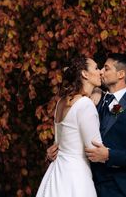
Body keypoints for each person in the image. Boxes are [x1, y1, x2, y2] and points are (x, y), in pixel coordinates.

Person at [46, 53, 126, 197]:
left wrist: (109, 155)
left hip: (120, 190)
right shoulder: (90, 101)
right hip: (89, 185)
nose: (101, 71)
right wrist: (60, 151)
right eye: (100, 68)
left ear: (121, 74)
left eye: (106, 69)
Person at [36, 56, 103, 197]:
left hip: (57, 173)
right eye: (96, 68)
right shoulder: (85, 104)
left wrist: (98, 91)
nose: (101, 72)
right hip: (76, 177)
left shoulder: (61, 101)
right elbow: (95, 150)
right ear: (85, 74)